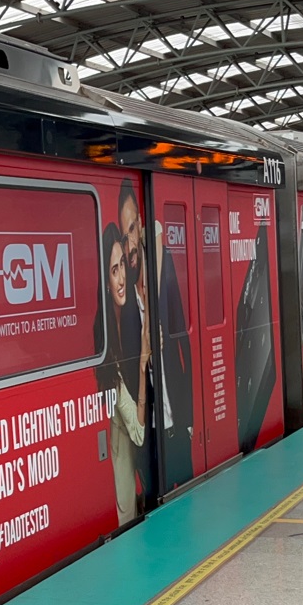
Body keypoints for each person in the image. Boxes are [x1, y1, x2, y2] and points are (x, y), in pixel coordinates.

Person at [118, 183, 192, 493]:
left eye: (134, 230)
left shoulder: (164, 281)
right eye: (126, 238)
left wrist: (189, 419)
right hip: (147, 438)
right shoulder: (123, 311)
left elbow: (183, 342)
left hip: (176, 429)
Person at [94, 223, 145, 523]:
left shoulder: (128, 320)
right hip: (123, 456)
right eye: (114, 270)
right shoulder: (107, 348)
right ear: (105, 279)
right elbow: (138, 433)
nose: (122, 277)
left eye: (122, 265)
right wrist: (143, 363)